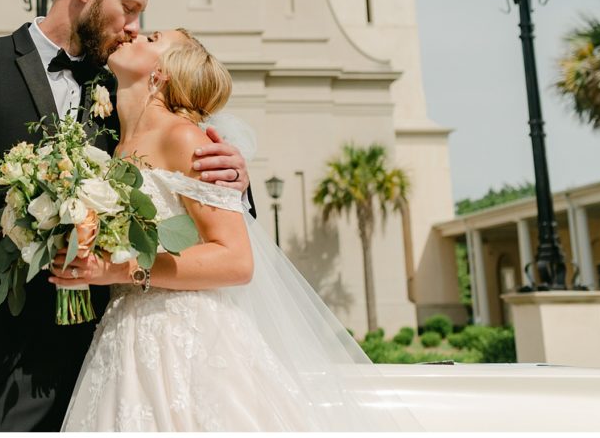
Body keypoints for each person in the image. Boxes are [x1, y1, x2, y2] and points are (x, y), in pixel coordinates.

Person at [0, 0, 252, 432]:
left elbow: (181, 172)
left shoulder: (122, 82)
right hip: (4, 362)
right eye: (128, 8)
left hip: (116, 359)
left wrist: (234, 173)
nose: (134, 27)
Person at [52, 29, 424, 431]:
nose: (137, 32)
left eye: (153, 37)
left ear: (163, 72)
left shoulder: (184, 138)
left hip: (187, 345)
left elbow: (235, 260)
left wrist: (119, 270)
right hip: (122, 339)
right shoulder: (113, 145)